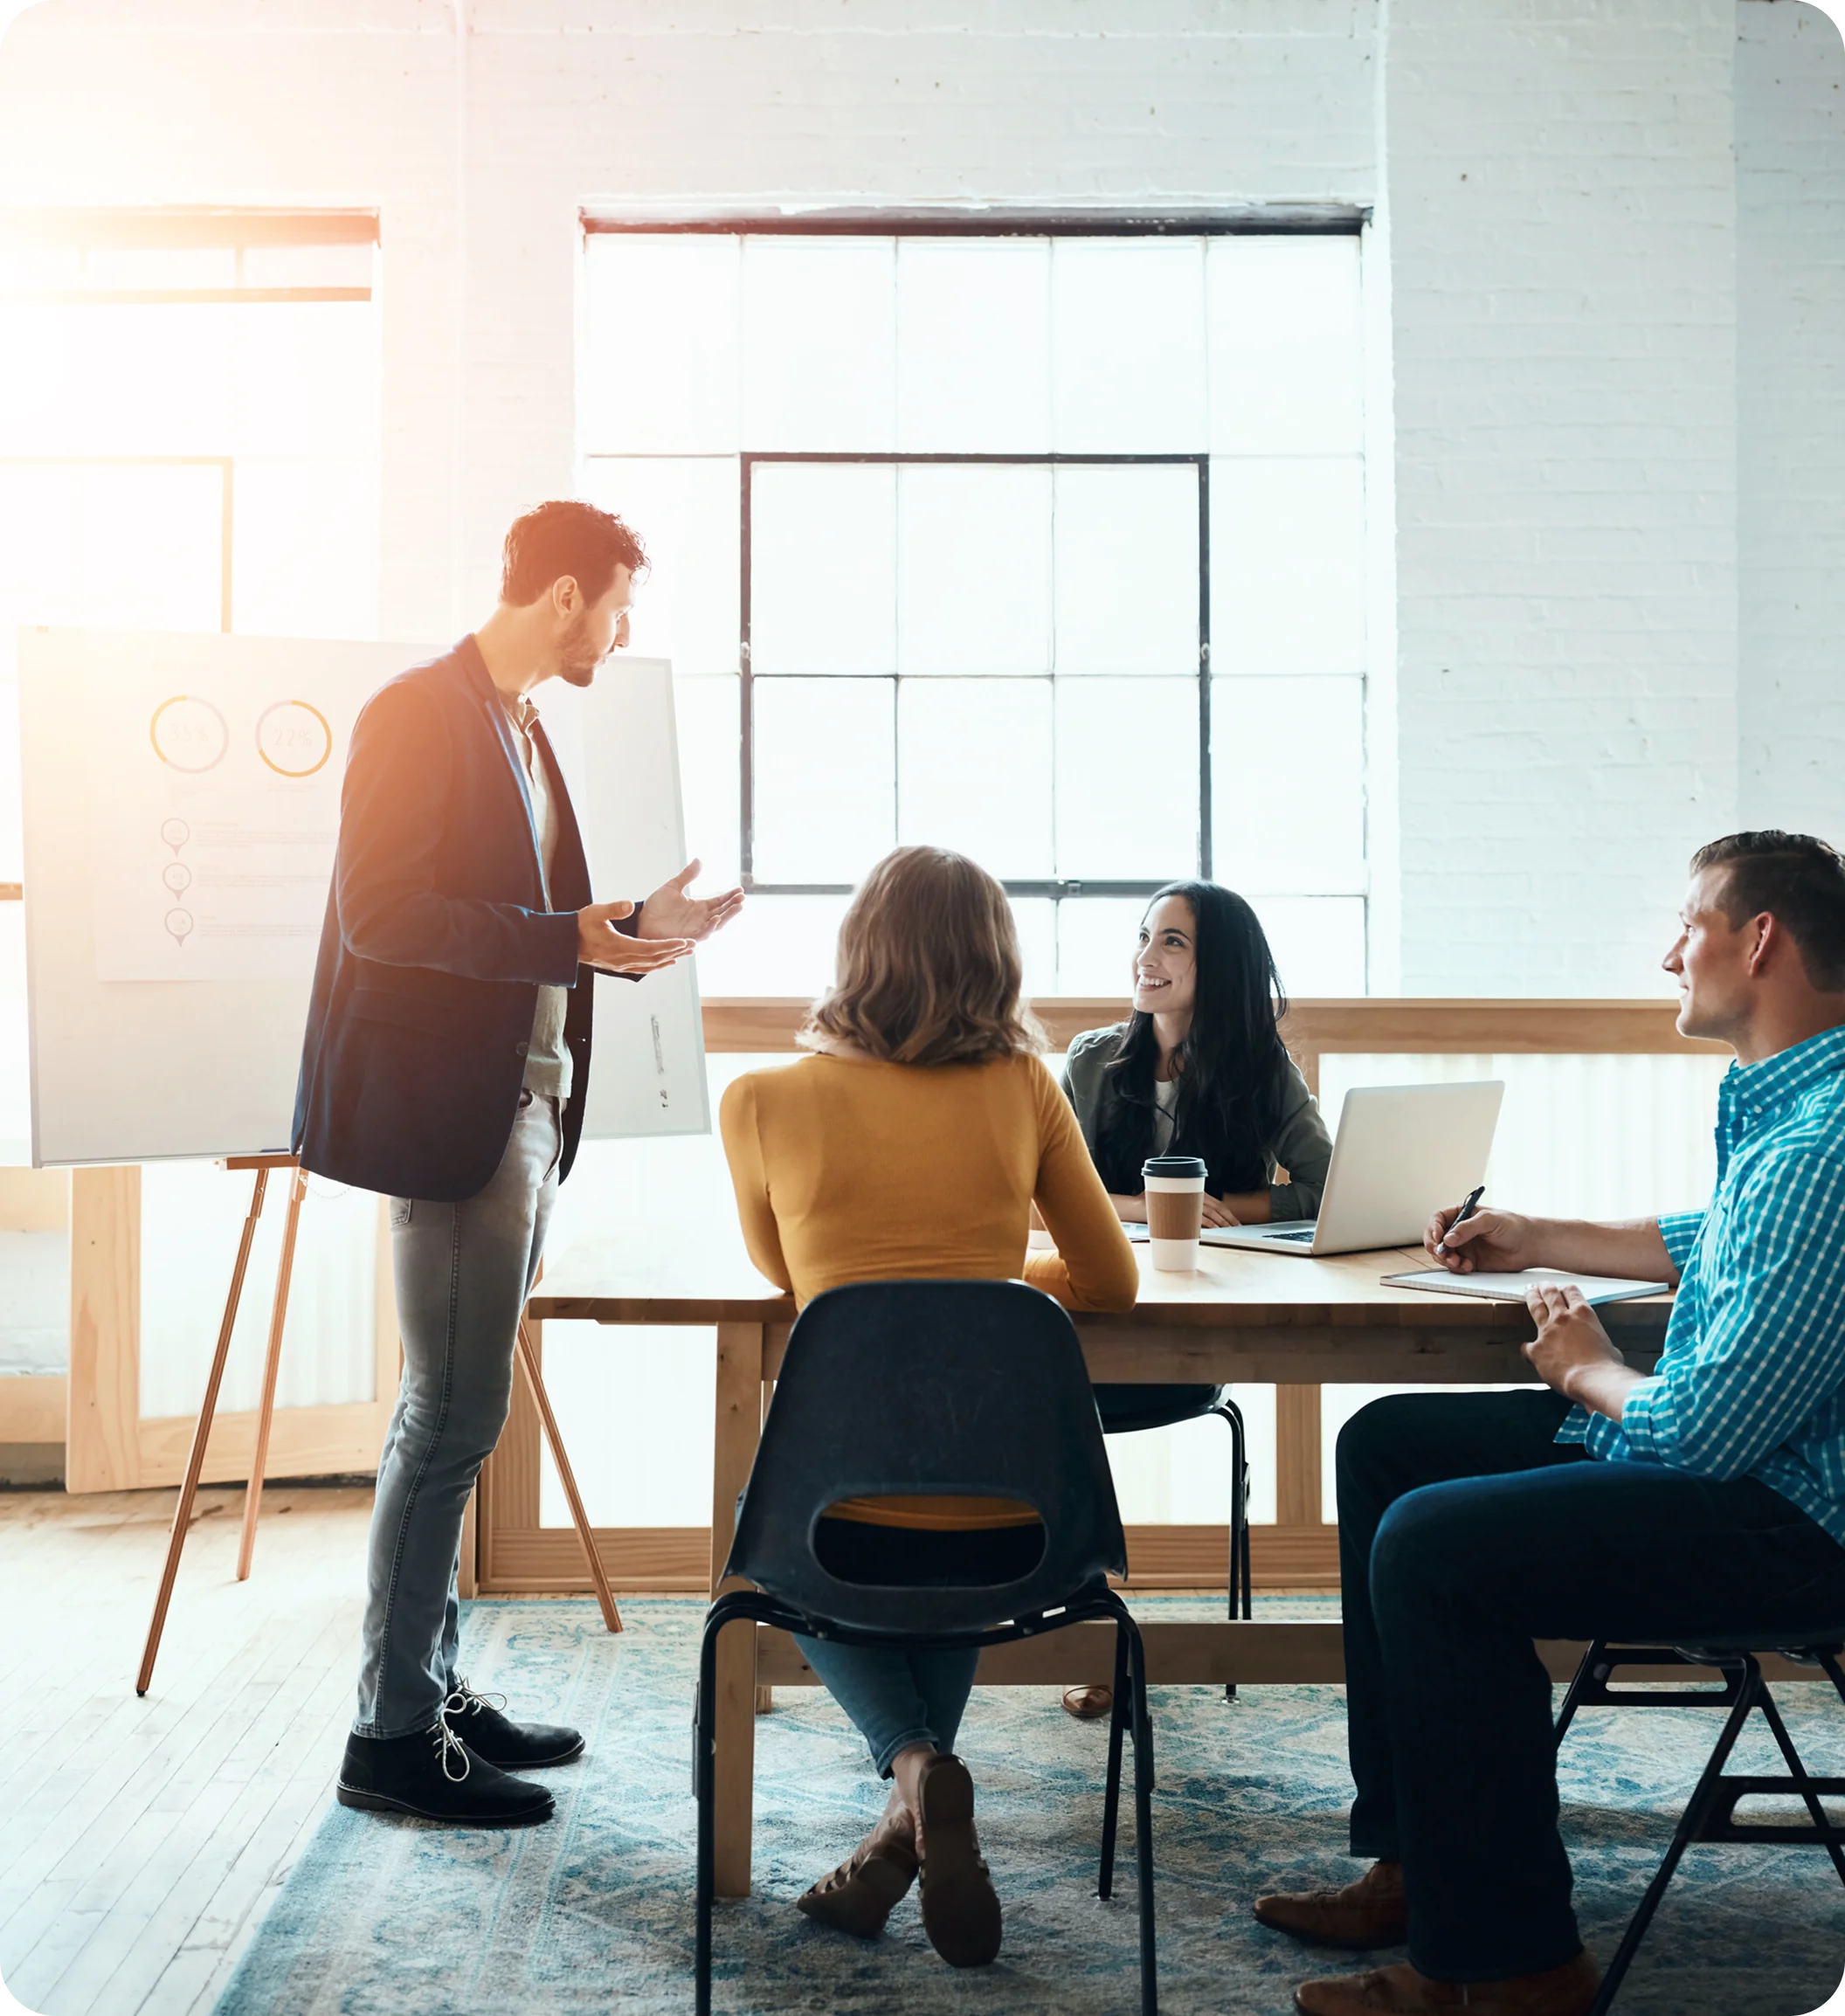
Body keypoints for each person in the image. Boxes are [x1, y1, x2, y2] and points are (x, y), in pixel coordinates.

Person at [1254, 831, 1845, 2016]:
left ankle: (1512, 1967)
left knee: (1432, 1546)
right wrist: (1536, 1234)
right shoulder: (1800, 1107)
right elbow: (1712, 1237)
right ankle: (1423, 1865)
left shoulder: (1822, 1144)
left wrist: (1583, 1368)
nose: (1670, 951)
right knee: (1388, 1450)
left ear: (1760, 939)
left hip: (1790, 1517)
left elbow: (1703, 1435)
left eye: (1690, 924)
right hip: (1749, 1466)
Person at [294, 500, 742, 1829]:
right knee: (448, 1415)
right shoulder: (415, 714)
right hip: (458, 1111)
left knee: (457, 1411)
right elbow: (384, 916)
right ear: (561, 594)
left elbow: (537, 916)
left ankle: (426, 1689)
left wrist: (620, 931)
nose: (619, 630)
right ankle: (389, 1735)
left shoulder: (526, 725)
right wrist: (573, 940)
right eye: (615, 605)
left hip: (527, 1102)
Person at [719, 845, 1139, 1971]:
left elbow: (789, 1279)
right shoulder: (1025, 1090)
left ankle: (911, 1779)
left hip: (834, 1530)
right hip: (1014, 1531)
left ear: (857, 951)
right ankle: (906, 1819)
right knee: (942, 1551)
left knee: (793, 1566)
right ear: (996, 965)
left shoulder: (759, 1100)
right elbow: (1113, 1283)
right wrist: (1002, 1278)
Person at [1057, 880, 1331, 1719]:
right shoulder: (1091, 1062)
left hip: (1208, 1334)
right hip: (1101, 1322)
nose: (1147, 957)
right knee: (1052, 1397)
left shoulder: (1261, 1068)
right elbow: (1046, 1193)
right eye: (1146, 937)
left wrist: (1223, 1207)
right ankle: (1089, 1625)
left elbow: (1325, 1188)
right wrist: (1149, 1203)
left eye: (1171, 941)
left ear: (1223, 967)